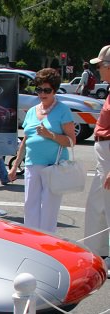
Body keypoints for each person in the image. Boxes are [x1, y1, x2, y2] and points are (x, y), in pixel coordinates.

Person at [8, 68, 75, 233]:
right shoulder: (32, 111)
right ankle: (32, 241)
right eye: (39, 89)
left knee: (49, 209)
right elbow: (26, 140)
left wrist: (50, 134)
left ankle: (48, 242)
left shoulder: (63, 110)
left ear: (55, 90)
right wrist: (15, 165)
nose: (42, 94)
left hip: (54, 166)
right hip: (32, 164)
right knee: (30, 205)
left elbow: (71, 141)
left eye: (47, 90)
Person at [84, 45, 110, 258]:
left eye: (100, 65)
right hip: (104, 151)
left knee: (107, 206)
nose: (98, 69)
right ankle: (97, 254)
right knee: (97, 205)